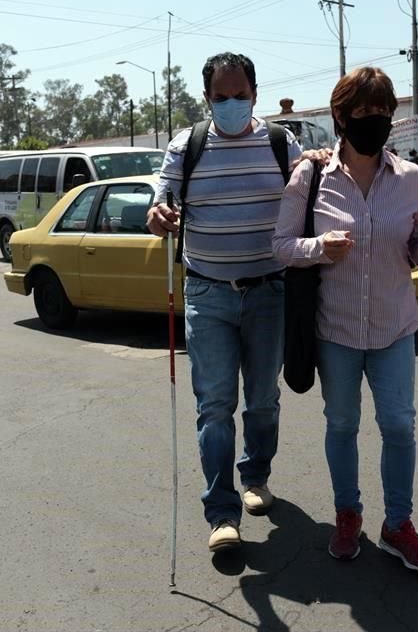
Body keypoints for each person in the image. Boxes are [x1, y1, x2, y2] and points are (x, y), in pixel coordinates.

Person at [272, 66, 418, 572]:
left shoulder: (410, 179)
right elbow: (282, 246)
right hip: (337, 330)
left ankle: (398, 524)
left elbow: (417, 248)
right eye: (363, 112)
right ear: (341, 116)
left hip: (394, 326)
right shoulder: (311, 176)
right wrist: (319, 247)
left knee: (398, 425)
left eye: (382, 112)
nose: (374, 120)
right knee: (342, 423)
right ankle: (347, 514)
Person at [147, 52, 303, 553]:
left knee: (262, 401)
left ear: (255, 92)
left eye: (239, 96)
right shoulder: (186, 146)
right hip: (207, 293)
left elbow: (309, 197)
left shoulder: (281, 142)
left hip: (269, 292)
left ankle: (256, 475)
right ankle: (221, 512)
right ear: (206, 97)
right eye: (221, 97)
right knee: (215, 407)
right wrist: (159, 214)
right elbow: (162, 200)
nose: (231, 104)